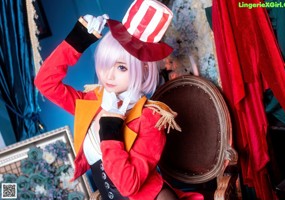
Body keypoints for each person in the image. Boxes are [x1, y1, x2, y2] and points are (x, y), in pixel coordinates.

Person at [35, 0, 204, 199]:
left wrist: (110, 127)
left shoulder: (149, 118)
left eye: (121, 67)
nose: (108, 76)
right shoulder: (92, 101)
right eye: (106, 63)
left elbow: (128, 186)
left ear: (145, 69)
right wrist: (77, 40)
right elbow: (45, 82)